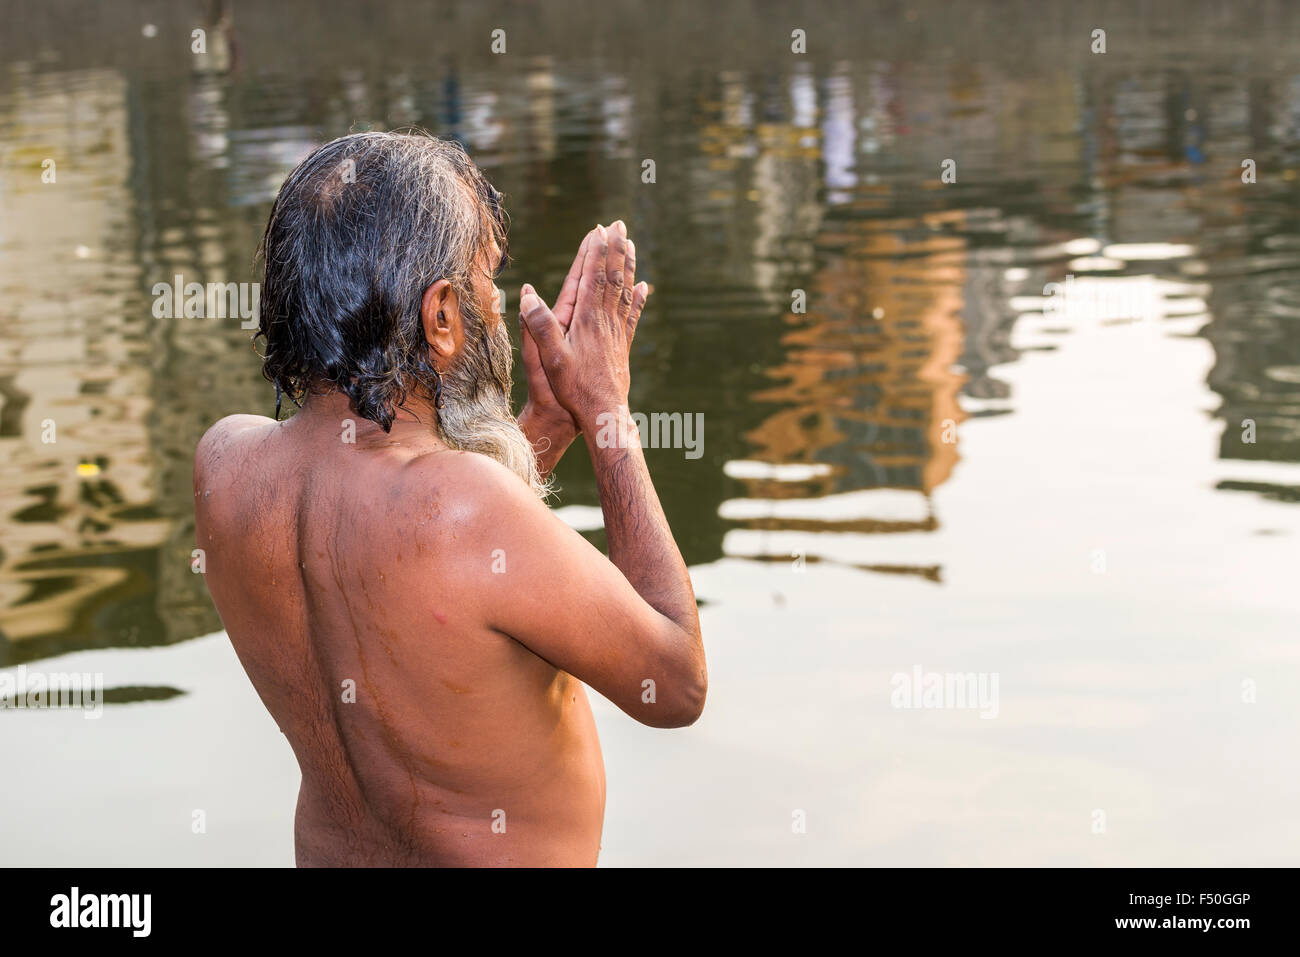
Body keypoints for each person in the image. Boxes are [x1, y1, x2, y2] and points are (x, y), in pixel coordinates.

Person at [194, 131, 706, 866]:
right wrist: (604, 409)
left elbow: (433, 561)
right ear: (441, 318)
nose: (496, 308)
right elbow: (677, 680)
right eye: (486, 280)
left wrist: (549, 424)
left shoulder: (227, 469)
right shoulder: (464, 508)